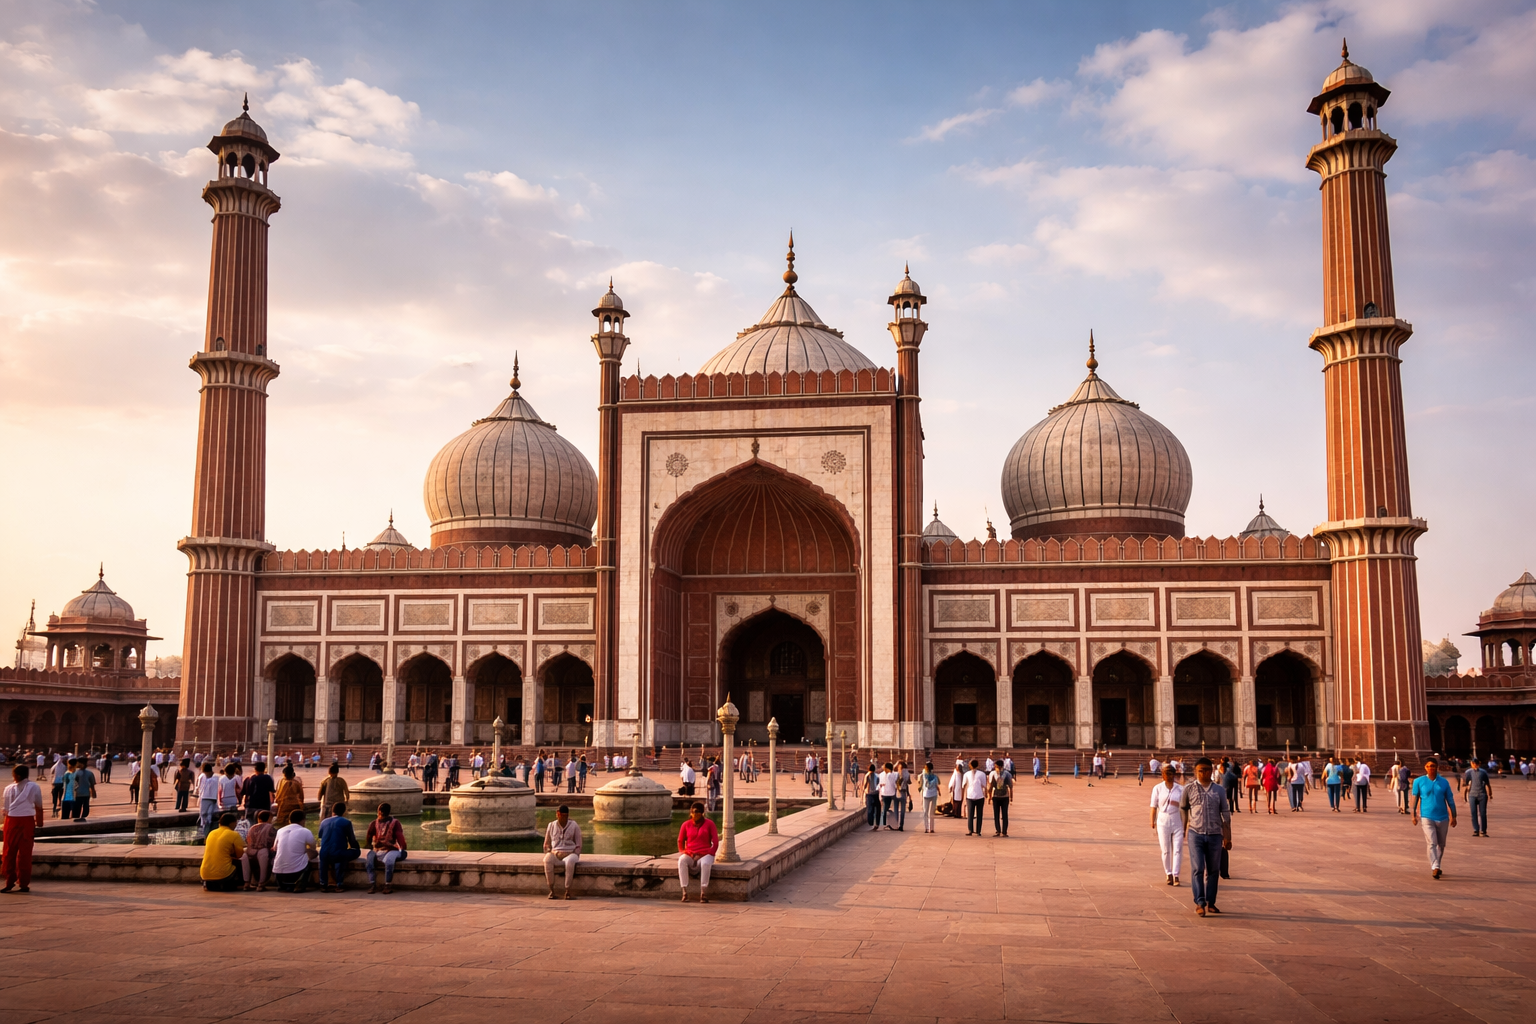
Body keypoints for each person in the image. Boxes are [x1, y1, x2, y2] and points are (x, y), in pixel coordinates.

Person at [1179, 758, 1232, 917]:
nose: (1204, 773)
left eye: (1207, 770)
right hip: (1196, 833)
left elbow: (1225, 813)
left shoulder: (1219, 790)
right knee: (1197, 869)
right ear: (1196, 772)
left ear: (1211, 770)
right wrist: (1183, 827)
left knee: (1213, 870)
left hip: (1215, 834)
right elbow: (1183, 808)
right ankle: (1200, 902)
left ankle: (1211, 902)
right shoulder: (1189, 789)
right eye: (1201, 770)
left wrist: (1227, 836)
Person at [1411, 758, 1457, 879]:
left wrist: (1454, 816)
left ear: (1437, 767)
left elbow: (1450, 800)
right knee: (1431, 842)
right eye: (1429, 766)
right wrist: (1413, 815)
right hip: (1427, 816)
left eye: (1433, 766)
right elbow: (1415, 799)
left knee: (1441, 844)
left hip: (1442, 817)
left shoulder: (1443, 782)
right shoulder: (1419, 781)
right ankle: (1434, 866)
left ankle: (1438, 864)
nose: (1431, 768)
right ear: (1425, 767)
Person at [3, 764, 44, 893]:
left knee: (9, 852)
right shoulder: (34, 787)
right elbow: (39, 805)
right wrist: (39, 822)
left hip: (11, 821)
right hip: (27, 821)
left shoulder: (8, 789)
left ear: (17, 775)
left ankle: (10, 881)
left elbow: (5, 809)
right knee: (25, 854)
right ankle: (23, 883)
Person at [676, 801, 719, 903]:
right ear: (691, 813)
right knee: (682, 861)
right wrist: (682, 852)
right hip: (690, 853)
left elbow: (715, 842)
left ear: (703, 813)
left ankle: (703, 892)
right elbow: (680, 840)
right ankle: (685, 892)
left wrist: (710, 853)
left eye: (699, 812)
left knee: (706, 863)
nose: (696, 814)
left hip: (705, 853)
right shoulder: (686, 825)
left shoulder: (710, 824)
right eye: (694, 812)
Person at [1149, 765, 1184, 886]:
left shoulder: (1180, 789)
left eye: (1170, 774)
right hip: (1163, 819)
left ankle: (1176, 875)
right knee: (1165, 850)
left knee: (1178, 849)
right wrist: (1152, 820)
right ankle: (1168, 873)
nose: (1168, 776)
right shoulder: (1157, 788)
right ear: (1162, 775)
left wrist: (1186, 823)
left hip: (1177, 819)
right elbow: (1153, 806)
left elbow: (1184, 807)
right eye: (1166, 773)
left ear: (1174, 775)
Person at [317, 801, 360, 892]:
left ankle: (323, 884)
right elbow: (352, 840)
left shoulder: (324, 822)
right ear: (344, 812)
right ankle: (339, 884)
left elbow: (320, 836)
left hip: (324, 853)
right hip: (337, 853)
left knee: (324, 858)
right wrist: (356, 848)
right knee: (345, 855)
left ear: (332, 811)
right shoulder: (346, 822)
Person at [199, 811, 247, 892]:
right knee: (240, 862)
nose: (236, 825)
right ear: (231, 823)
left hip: (204, 873)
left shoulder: (211, 833)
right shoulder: (234, 834)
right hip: (224, 874)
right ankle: (243, 884)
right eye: (235, 823)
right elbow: (240, 854)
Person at [366, 802, 407, 894]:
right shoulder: (374, 823)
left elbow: (400, 838)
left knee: (389, 862)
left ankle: (387, 884)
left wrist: (402, 848)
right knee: (369, 861)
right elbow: (368, 837)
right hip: (377, 850)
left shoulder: (394, 823)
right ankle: (372, 884)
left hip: (391, 850)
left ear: (379, 811)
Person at [272, 809, 318, 892]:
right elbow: (313, 847)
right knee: (313, 853)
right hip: (297, 872)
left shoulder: (280, 830)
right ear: (303, 821)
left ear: (289, 820)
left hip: (279, 872)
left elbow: (275, 848)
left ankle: (281, 885)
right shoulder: (305, 831)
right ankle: (300, 884)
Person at [543, 804, 582, 899]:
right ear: (557, 814)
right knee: (547, 860)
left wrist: (575, 853)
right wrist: (549, 851)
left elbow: (578, 844)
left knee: (570, 862)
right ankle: (551, 890)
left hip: (570, 853)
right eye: (562, 816)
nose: (564, 818)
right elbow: (546, 843)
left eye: (566, 816)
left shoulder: (574, 825)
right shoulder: (551, 825)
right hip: (555, 853)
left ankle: (567, 890)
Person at [243, 809, 276, 890]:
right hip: (263, 852)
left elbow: (247, 840)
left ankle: (246, 883)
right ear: (269, 818)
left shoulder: (252, 828)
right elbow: (273, 841)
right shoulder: (270, 827)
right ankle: (261, 884)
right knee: (265, 854)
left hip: (250, 852)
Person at [1463, 758, 1492, 837]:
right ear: (1471, 764)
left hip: (1482, 794)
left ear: (1478, 764)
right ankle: (1476, 829)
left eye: (1476, 763)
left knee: (1482, 813)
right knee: (1473, 813)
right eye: (1473, 763)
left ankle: (1483, 830)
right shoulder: (1468, 772)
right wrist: (1465, 794)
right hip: (1472, 794)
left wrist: (1490, 794)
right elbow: (1466, 783)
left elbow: (1487, 784)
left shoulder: (1483, 772)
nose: (1474, 765)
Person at [962, 759, 988, 836]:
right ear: (978, 765)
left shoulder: (978, 774)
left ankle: (973, 830)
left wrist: (962, 795)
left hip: (976, 795)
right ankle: (975, 830)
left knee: (973, 814)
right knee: (974, 814)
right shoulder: (979, 774)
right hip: (974, 796)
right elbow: (984, 785)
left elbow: (963, 785)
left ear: (970, 765)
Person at [988, 758, 1013, 838]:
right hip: (1001, 796)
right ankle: (1002, 831)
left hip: (999, 796)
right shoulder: (1007, 774)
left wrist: (989, 797)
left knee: (1000, 814)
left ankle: (1000, 831)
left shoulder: (993, 774)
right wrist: (1011, 797)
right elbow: (1010, 786)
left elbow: (990, 786)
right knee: (1001, 814)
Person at [71, 757, 97, 822]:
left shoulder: (75, 773)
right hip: (86, 794)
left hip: (77, 794)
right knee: (86, 807)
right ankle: (83, 817)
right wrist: (93, 793)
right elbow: (92, 785)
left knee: (77, 807)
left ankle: (76, 818)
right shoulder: (89, 773)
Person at [919, 761, 940, 833]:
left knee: (926, 812)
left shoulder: (925, 775)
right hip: (934, 794)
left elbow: (927, 785)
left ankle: (926, 827)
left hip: (926, 794)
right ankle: (931, 828)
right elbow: (937, 784)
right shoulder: (935, 776)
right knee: (931, 812)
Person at [878, 761, 900, 831]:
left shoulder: (882, 774)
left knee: (885, 808)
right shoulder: (893, 774)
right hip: (891, 793)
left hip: (885, 793)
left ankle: (885, 823)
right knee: (887, 808)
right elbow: (894, 783)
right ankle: (888, 823)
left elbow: (880, 784)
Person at [863, 760, 882, 830]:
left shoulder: (873, 776)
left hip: (873, 794)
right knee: (873, 810)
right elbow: (865, 785)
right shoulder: (870, 776)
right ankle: (873, 823)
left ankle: (874, 823)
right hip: (872, 794)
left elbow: (865, 785)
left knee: (874, 809)